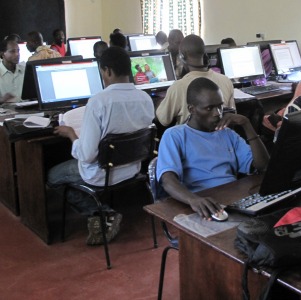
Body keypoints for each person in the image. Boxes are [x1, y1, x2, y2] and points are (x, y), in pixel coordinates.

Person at [47, 47, 155, 245]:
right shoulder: (145, 98)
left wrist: (71, 134)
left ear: (108, 71)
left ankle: (103, 213)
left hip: (101, 174)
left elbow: (87, 155)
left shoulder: (98, 102)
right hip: (132, 170)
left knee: (53, 176)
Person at [156, 77, 269, 219]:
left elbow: (263, 165)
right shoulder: (175, 135)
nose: (217, 113)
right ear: (192, 109)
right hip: (202, 204)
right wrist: (193, 199)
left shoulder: (227, 134)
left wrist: (247, 125)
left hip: (232, 198)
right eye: (209, 108)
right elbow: (167, 180)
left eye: (220, 106)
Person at [156, 34, 235, 127]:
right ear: (204, 54)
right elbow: (231, 115)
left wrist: (159, 102)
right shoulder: (226, 81)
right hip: (221, 138)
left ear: (181, 56)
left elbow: (163, 120)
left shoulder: (178, 87)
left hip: (191, 140)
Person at [0, 39, 25, 103]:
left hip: (28, 110)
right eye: (12, 51)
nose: (17, 54)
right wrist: (2, 100)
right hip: (6, 111)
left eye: (18, 51)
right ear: (2, 54)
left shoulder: (25, 70)